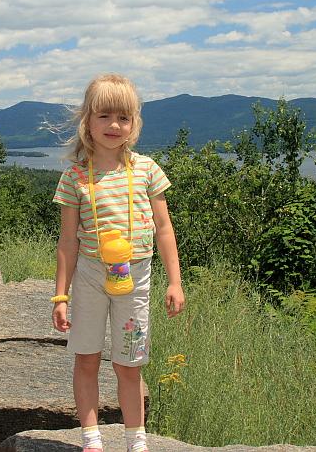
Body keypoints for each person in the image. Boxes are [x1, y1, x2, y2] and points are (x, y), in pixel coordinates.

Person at [52, 74, 186, 452]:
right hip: (90, 276)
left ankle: (136, 440)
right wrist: (60, 296)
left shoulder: (146, 170)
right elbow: (67, 242)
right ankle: (91, 439)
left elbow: (164, 228)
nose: (114, 125)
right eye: (104, 116)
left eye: (123, 118)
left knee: (129, 363)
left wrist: (175, 282)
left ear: (134, 124)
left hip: (136, 276)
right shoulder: (75, 177)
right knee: (87, 359)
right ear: (87, 121)